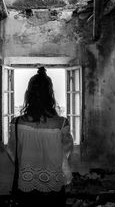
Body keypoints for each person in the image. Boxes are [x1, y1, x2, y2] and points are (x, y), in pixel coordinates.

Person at [6, 66, 73, 207]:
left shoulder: (16, 123)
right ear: (50, 95)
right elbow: (65, 152)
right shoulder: (61, 123)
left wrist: (28, 165)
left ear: (28, 94)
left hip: (26, 183)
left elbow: (12, 151)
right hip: (54, 185)